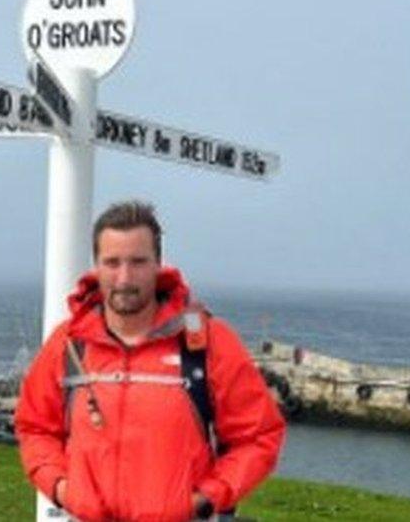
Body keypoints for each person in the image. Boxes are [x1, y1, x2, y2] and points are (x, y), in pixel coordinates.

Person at [15, 200, 286, 522]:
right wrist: (61, 488)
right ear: (96, 266)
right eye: (112, 262)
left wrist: (206, 498)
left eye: (138, 262)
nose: (125, 278)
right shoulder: (69, 343)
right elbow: (34, 426)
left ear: (158, 264)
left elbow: (257, 436)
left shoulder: (207, 341)